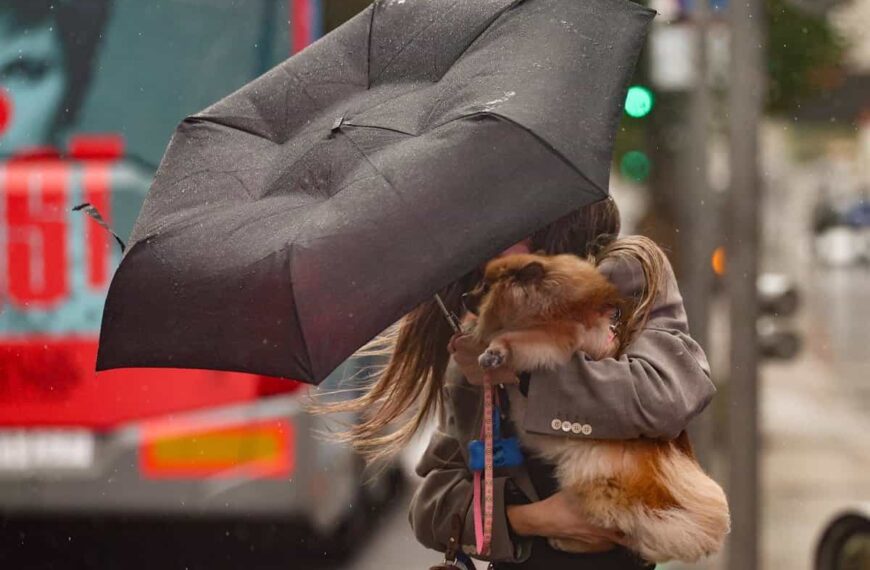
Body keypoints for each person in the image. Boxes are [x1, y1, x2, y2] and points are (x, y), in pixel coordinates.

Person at [323, 198, 716, 569]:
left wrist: (524, 369)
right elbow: (431, 505)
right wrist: (533, 520)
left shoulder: (622, 273)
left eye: (504, 228)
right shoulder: (480, 328)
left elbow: (667, 395)